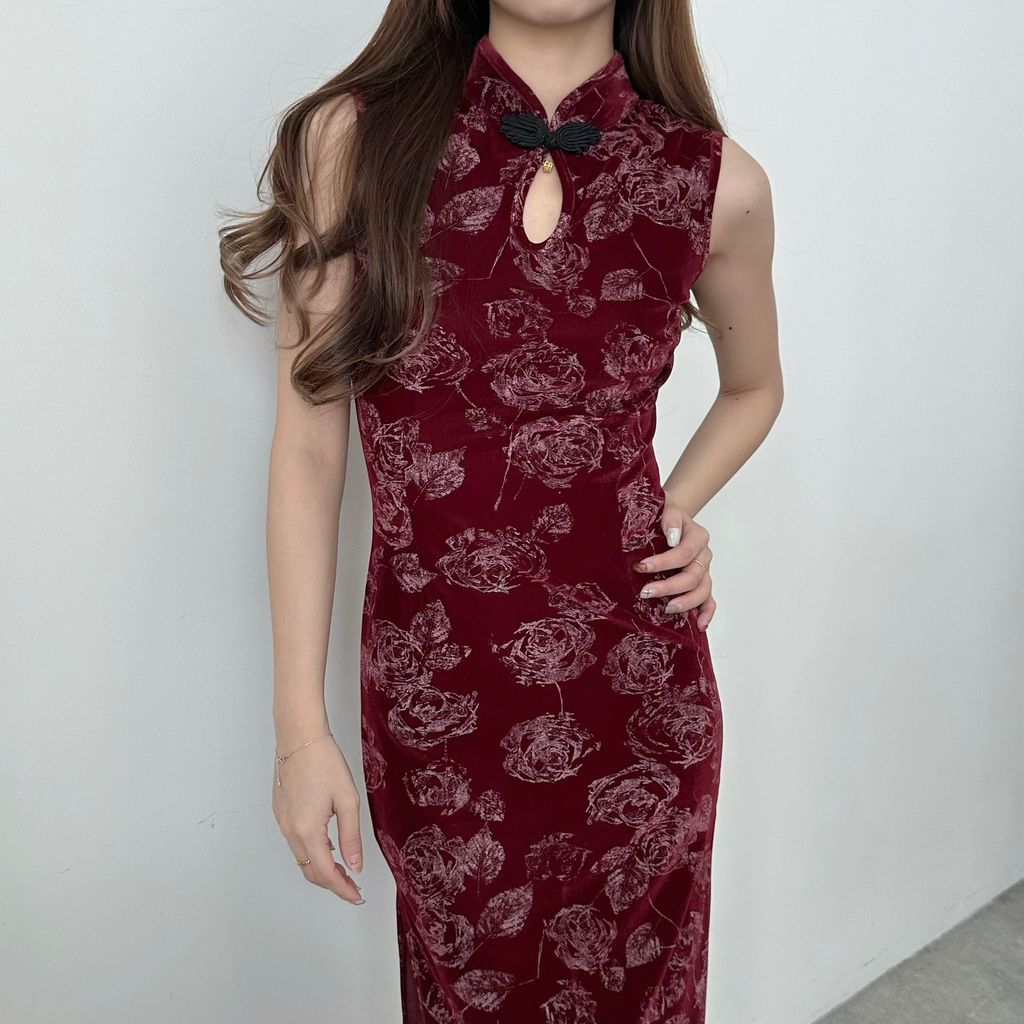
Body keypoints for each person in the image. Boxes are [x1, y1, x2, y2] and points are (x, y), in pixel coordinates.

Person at [219, 2, 781, 1020]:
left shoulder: (715, 182)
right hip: (439, 709)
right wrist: (300, 730)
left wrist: (667, 512)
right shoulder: (352, 142)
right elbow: (307, 449)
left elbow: (756, 388)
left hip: (640, 708)